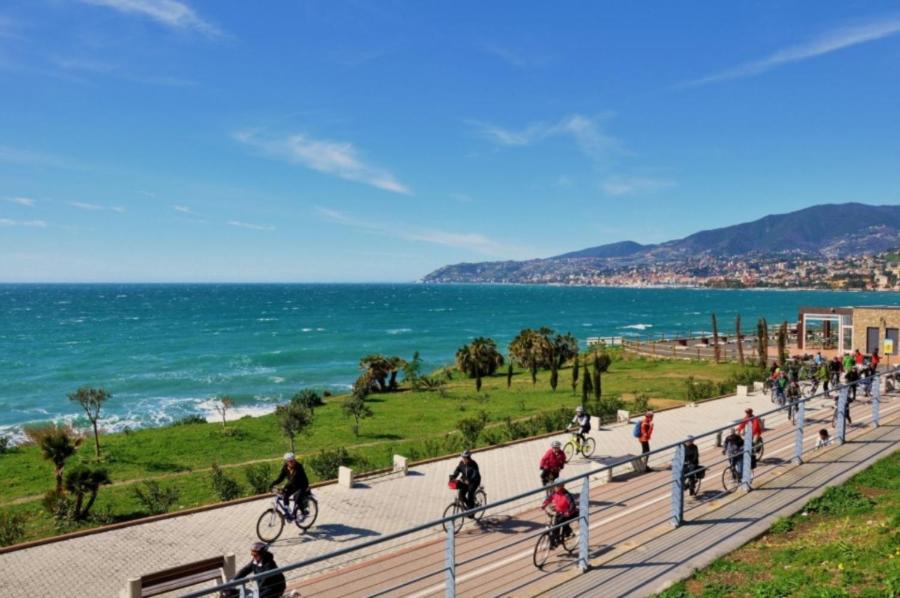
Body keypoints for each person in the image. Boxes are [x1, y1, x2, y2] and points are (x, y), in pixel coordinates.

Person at [270, 452, 310, 520]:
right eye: (290, 461)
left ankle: (303, 512)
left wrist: (284, 487)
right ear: (286, 462)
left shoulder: (298, 467)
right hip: (293, 485)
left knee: (296, 497)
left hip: (302, 485)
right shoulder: (285, 467)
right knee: (285, 495)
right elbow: (280, 478)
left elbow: (293, 480)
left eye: (293, 460)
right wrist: (272, 484)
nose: (292, 462)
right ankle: (288, 512)